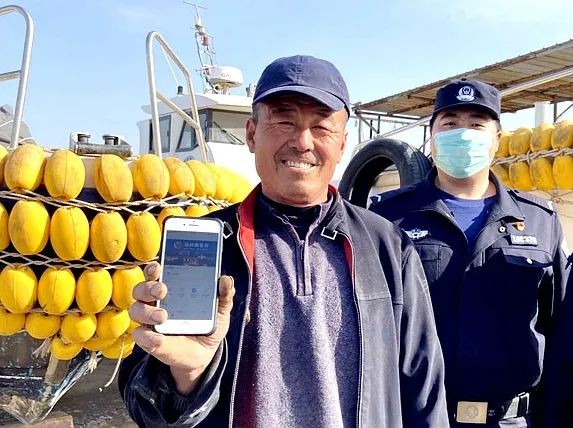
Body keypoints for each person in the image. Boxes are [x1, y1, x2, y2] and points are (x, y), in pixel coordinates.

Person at [118, 55, 449, 427]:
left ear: (343, 143)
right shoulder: (203, 248)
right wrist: (188, 376)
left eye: (321, 126)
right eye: (283, 121)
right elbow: (145, 407)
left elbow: (423, 389)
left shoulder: (388, 247)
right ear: (251, 134)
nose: (302, 142)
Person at [370, 79, 572, 427]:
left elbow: (562, 334)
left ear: (497, 139)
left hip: (512, 421)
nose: (463, 134)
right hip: (416, 417)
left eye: (477, 125)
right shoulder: (387, 217)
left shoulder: (541, 220)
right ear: (432, 136)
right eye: (450, 123)